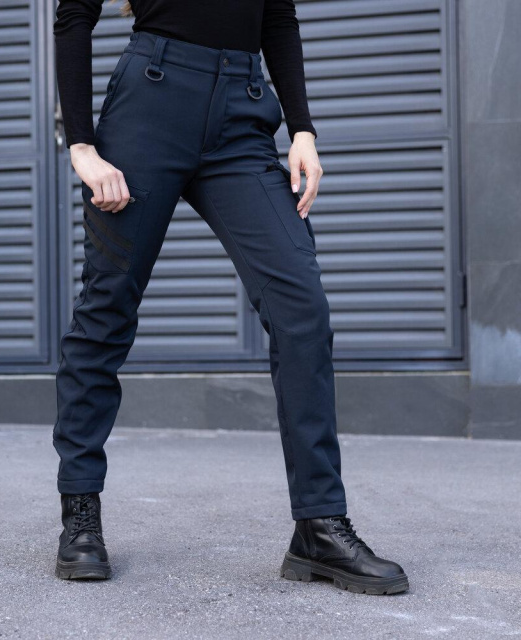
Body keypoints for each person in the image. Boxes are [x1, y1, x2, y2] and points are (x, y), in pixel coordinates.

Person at [52, 0, 409, 595]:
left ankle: (319, 527)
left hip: (243, 115)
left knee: (301, 306)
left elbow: (278, 17)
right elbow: (74, 14)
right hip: (150, 105)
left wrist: (302, 129)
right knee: (106, 307)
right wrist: (81, 144)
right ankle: (80, 514)